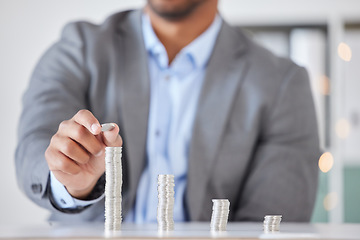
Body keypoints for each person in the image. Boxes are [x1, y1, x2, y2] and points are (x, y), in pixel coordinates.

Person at [15, 0, 320, 223]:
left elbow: (274, 220)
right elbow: (35, 142)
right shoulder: (80, 47)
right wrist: (73, 180)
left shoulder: (282, 83)